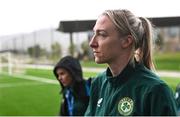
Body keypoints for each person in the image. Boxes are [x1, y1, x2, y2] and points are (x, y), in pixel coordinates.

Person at [85, 9, 177, 116]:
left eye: (102, 34)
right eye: (94, 33)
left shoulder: (156, 91)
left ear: (126, 41)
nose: (92, 43)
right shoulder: (98, 83)